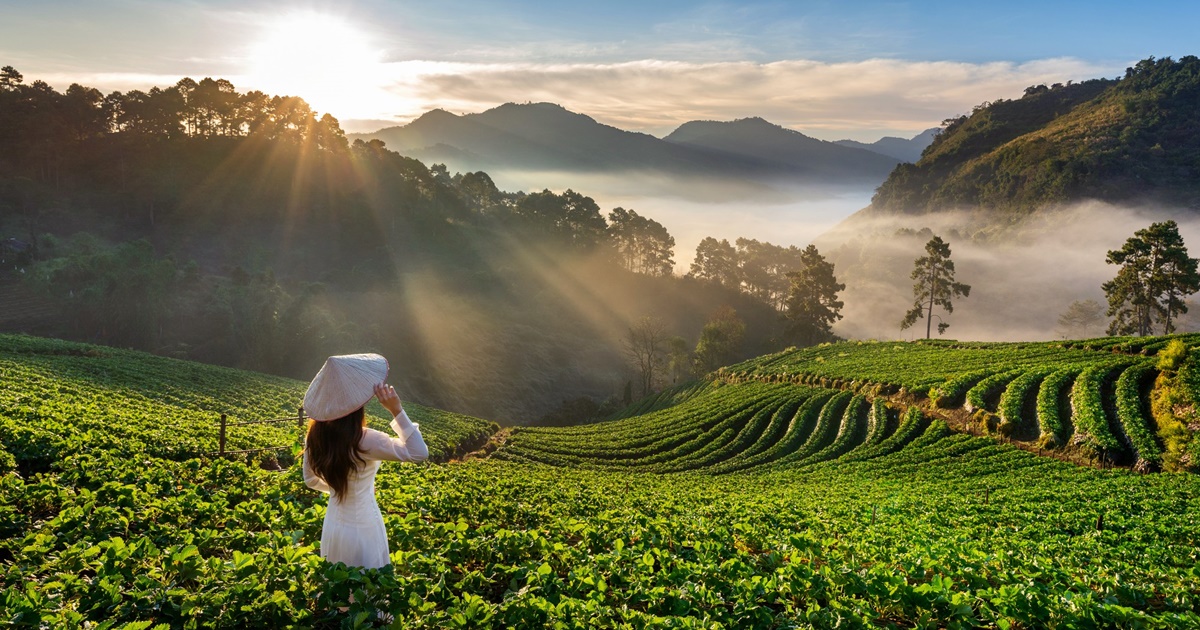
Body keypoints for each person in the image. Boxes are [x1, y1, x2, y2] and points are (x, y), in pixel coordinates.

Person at [302, 353, 428, 569]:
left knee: (338, 584)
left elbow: (310, 480)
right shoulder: (366, 439)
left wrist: (336, 487)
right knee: (368, 587)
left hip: (334, 525)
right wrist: (396, 410)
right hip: (364, 526)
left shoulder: (314, 436)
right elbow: (418, 453)